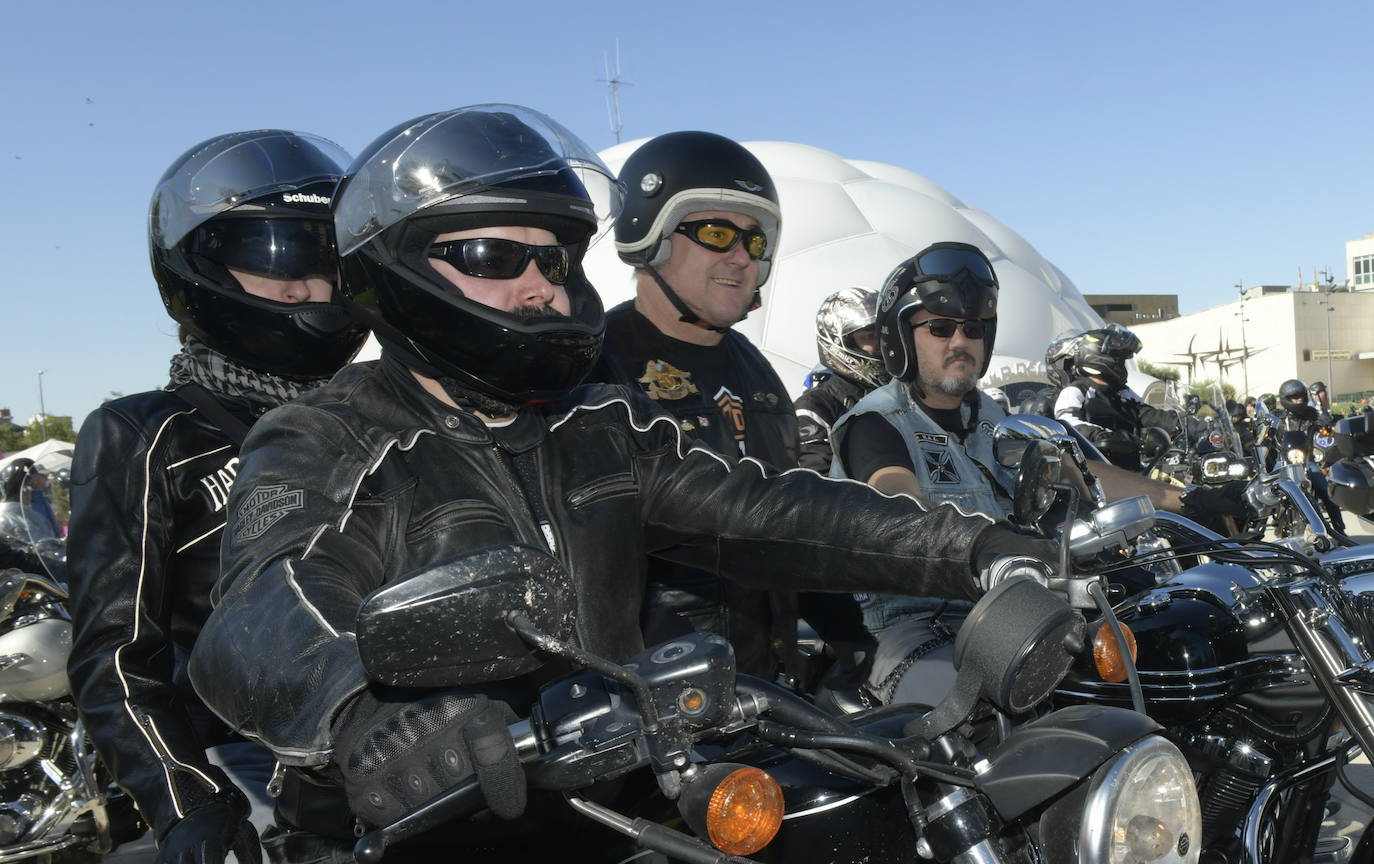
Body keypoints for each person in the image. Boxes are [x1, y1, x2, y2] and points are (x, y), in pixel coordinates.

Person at [185, 106, 1055, 861]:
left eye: (555, 259)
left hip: (613, 808)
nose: (536, 286)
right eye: (494, 255)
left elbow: (768, 509)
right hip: (419, 826)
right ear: (396, 265)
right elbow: (265, 603)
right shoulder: (330, 435)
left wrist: (976, 546)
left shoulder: (593, 424)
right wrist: (363, 714)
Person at [66, 130, 368, 864]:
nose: (308, 286)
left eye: (325, 260)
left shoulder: (383, 414)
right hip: (252, 762)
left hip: (424, 745)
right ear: (201, 266)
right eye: (277, 257)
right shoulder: (145, 433)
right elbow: (114, 656)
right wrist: (184, 797)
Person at [829, 245, 1248, 704]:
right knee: (986, 717)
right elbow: (896, 496)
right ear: (900, 337)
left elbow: (1083, 475)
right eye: (940, 327)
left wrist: (1185, 500)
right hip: (918, 627)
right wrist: (980, 545)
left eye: (973, 328)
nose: (959, 342)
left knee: (1168, 662)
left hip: (1020, 612)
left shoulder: (992, 418)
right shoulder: (877, 425)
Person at [588, 131, 867, 684]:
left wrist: (844, 627)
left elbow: (789, 523)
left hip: (765, 687)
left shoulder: (756, 370)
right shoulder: (595, 367)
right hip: (650, 698)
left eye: (756, 241)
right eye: (718, 233)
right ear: (654, 235)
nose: (742, 257)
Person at [1053, 324, 1180, 469]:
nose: (1122, 366)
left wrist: (1183, 425)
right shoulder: (1076, 390)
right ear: (1098, 356)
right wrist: (1103, 436)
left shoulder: (1122, 393)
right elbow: (1066, 423)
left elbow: (1150, 414)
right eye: (1119, 359)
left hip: (1135, 470)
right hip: (1095, 474)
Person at [793, 287, 891, 473]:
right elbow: (818, 479)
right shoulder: (817, 406)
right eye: (869, 336)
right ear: (840, 343)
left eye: (883, 334)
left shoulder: (906, 391)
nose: (880, 343)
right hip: (860, 500)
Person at [0, 458, 58, 543]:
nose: (28, 492)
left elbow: (46, 535)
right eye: (24, 488)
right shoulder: (5, 517)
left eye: (29, 488)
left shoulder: (31, 511)